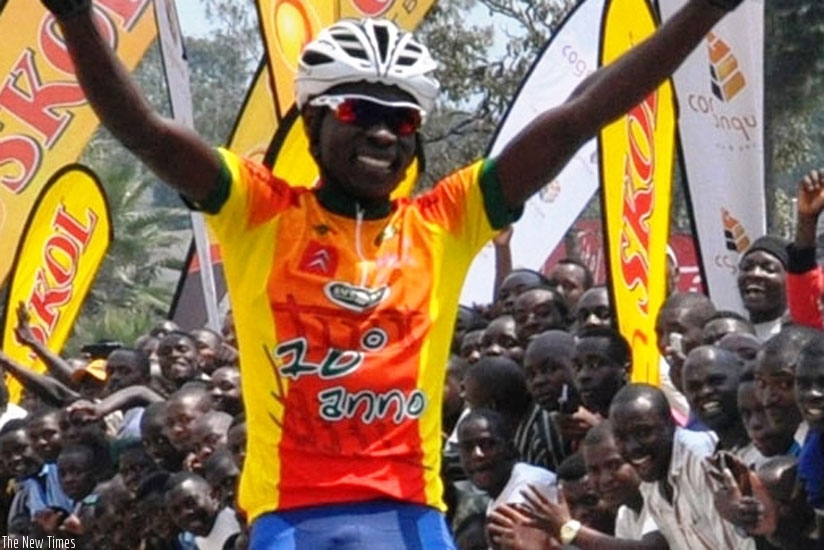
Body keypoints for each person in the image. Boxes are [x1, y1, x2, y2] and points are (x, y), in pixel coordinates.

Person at [45, 0, 750, 545]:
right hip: (292, 521)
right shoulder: (258, 209)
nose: (384, 133)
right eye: (359, 111)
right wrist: (77, 18)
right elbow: (141, 129)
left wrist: (705, 11)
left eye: (403, 119)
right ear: (313, 121)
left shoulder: (446, 220)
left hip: (413, 518)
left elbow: (577, 118)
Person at [609, 384, 753, 549]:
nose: (632, 447)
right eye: (621, 438)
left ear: (671, 424)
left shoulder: (701, 459)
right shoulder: (651, 481)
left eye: (643, 433)